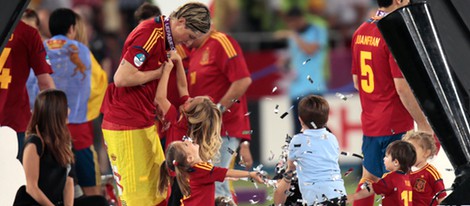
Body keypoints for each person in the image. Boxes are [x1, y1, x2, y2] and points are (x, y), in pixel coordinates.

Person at [100, 3, 211, 205]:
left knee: (158, 192)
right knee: (140, 198)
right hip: (126, 123)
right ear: (181, 22)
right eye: (190, 36)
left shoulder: (165, 38)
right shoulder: (151, 34)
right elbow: (121, 78)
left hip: (142, 120)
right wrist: (159, 73)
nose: (188, 43)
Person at [351, 0, 433, 205]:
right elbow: (402, 88)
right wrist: (422, 123)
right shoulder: (394, 33)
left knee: (368, 179)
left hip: (371, 122)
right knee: (402, 183)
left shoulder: (361, 30)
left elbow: (356, 81)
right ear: (399, 0)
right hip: (396, 122)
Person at [44, 8, 105, 196]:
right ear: (72, 28)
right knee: (90, 187)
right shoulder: (82, 51)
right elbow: (99, 83)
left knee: (51, 186)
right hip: (78, 127)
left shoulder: (39, 47)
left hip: (45, 127)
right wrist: (84, 110)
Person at [187, 28, 253, 199]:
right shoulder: (194, 51)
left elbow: (242, 80)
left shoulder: (221, 42)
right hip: (209, 130)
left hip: (224, 129)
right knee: (213, 184)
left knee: (217, 184)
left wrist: (217, 111)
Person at [155, 51, 222, 205]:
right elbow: (183, 86)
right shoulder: (190, 122)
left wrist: (166, 71)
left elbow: (159, 99)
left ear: (190, 112)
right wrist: (178, 62)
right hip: (188, 180)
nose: (189, 97)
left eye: (191, 100)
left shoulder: (180, 122)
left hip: (178, 180)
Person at [274, 95, 346, 205]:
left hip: (316, 198)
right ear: (327, 119)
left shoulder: (297, 140)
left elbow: (290, 166)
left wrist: (289, 169)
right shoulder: (332, 138)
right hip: (339, 195)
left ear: (300, 119)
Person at [0, 18, 55, 159]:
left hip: (14, 122)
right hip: (14, 122)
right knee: (16, 178)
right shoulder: (27, 33)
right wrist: (52, 122)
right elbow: (46, 84)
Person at [13, 89, 74, 206]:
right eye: (65, 106)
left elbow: (69, 181)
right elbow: (31, 188)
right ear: (55, 113)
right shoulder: (34, 143)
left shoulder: (64, 140)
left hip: (54, 202)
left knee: (98, 202)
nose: (69, 111)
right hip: (33, 203)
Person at [157, 140, 264, 206]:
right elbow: (226, 172)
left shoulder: (187, 171)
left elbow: (203, 180)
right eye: (185, 145)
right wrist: (251, 174)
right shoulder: (201, 169)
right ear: (190, 158)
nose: (188, 141)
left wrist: (227, 178)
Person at [275, 6, 329, 134]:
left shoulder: (317, 30)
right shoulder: (293, 36)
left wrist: (294, 36)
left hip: (314, 87)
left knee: (318, 128)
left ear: (301, 19)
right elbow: (295, 57)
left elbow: (310, 50)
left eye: (293, 22)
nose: (291, 25)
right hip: (296, 89)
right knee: (298, 130)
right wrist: (284, 62)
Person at [347, 140, 416, 206]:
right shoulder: (407, 178)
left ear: (396, 162)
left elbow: (371, 190)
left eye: (386, 156)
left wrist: (352, 197)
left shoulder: (391, 178)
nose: (384, 159)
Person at [403, 131, 446, 205]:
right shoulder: (404, 171)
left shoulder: (431, 173)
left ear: (426, 153)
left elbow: (441, 196)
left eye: (412, 150)